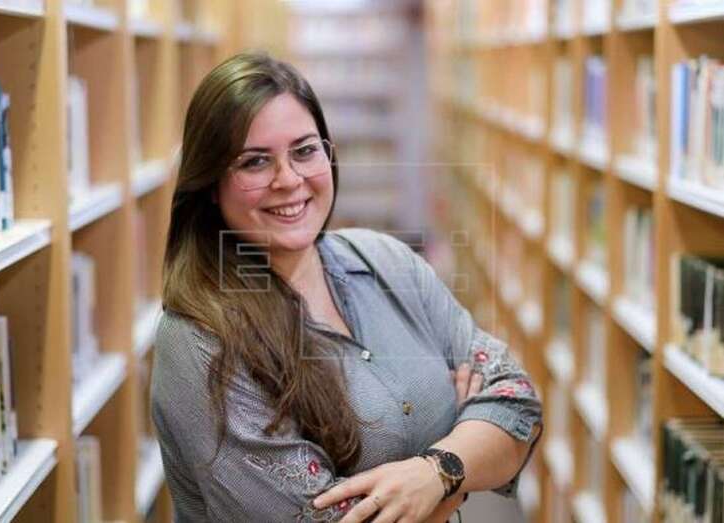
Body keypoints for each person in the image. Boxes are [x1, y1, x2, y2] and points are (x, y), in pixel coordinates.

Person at [151, 52, 543, 523]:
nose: (289, 180)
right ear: (212, 184)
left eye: (304, 150)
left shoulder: (387, 260)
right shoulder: (199, 341)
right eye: (255, 162)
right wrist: (463, 460)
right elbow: (321, 519)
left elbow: (516, 400)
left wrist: (435, 473)